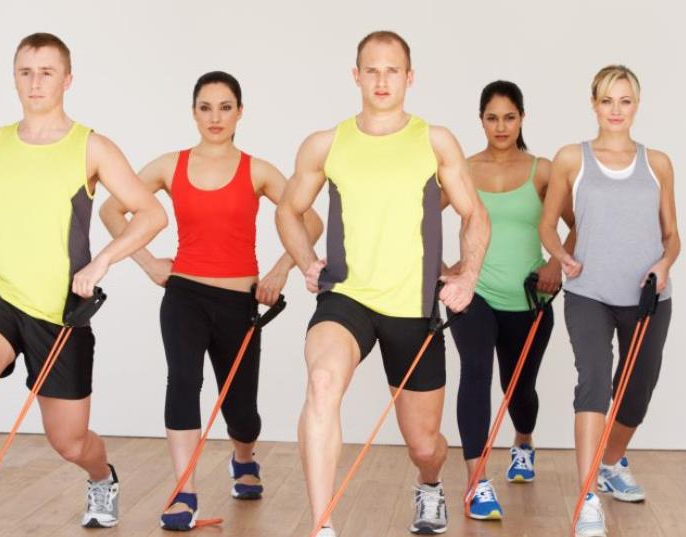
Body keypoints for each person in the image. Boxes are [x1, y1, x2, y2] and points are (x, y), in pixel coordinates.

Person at [0, 33, 167, 537]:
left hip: (61, 311)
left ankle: (102, 477)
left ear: (68, 79)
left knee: (69, 442)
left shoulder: (92, 147)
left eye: (47, 72)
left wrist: (102, 260)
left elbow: (151, 214)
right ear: (14, 76)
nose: (35, 82)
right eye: (25, 71)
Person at [276, 31, 490, 536]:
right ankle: (322, 524)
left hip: (413, 308)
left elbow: (474, 215)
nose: (381, 80)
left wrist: (468, 276)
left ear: (409, 78)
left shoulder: (434, 141)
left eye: (392, 70)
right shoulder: (326, 144)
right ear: (356, 76)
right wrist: (307, 260)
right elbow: (289, 209)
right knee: (322, 383)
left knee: (424, 445)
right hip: (347, 297)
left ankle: (430, 484)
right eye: (371, 70)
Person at [100, 71, 322, 531]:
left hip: (239, 301)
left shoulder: (257, 170)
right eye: (206, 107)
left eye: (225, 107)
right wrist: (146, 261)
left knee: (241, 412)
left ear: (240, 111)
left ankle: (244, 458)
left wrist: (282, 270)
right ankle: (185, 489)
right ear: (193, 112)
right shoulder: (169, 165)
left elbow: (309, 220)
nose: (215, 117)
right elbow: (111, 209)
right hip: (183, 294)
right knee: (183, 381)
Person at [539, 65, 679, 537]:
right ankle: (586, 500)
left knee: (637, 389)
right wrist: (561, 255)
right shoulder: (570, 159)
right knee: (594, 382)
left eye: (625, 101)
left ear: (636, 106)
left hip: (647, 294)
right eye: (607, 100)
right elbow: (547, 225)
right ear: (593, 103)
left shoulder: (657, 162)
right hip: (589, 294)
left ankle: (612, 461)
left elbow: (672, 236)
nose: (616, 110)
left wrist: (664, 265)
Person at [445, 80, 574, 520]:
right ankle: (476, 481)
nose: (500, 126)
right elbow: (421, 215)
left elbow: (578, 222)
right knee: (476, 372)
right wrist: (444, 269)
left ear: (522, 118)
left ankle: (523, 441)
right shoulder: (462, 167)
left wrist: (557, 263)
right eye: (491, 117)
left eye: (509, 117)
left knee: (520, 389)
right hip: (474, 291)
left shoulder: (543, 169)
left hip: (529, 296)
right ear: (480, 119)